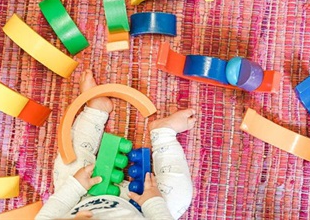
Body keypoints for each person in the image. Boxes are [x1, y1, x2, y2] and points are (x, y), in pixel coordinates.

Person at [35, 69, 196, 219]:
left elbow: (48, 214)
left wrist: (75, 187)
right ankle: (163, 133)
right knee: (179, 196)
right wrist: (153, 202)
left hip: (85, 197)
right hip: (141, 209)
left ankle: (96, 111)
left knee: (69, 165)